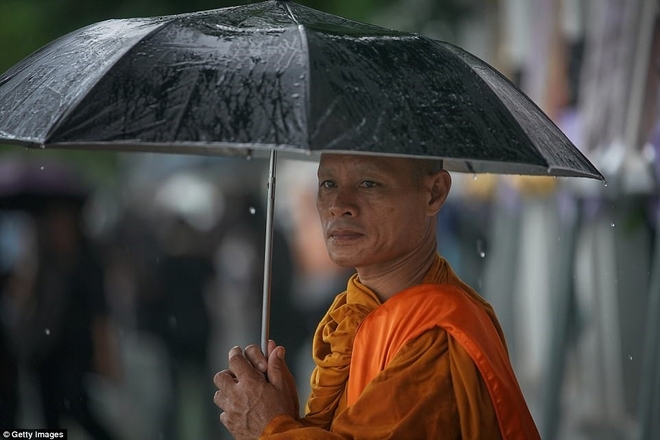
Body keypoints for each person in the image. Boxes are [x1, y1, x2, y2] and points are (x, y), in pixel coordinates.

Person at [213, 154, 541, 439]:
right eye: (327, 183)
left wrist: (270, 427)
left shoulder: (436, 336)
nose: (339, 205)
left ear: (434, 193)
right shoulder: (356, 311)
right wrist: (284, 415)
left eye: (369, 183)